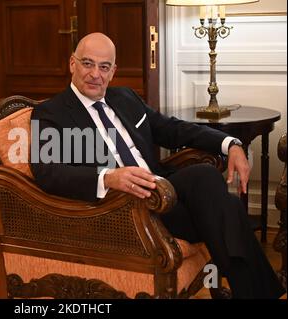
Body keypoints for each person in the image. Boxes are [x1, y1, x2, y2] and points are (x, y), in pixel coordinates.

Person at [30, 32, 285, 299]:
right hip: (119, 207)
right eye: (87, 63)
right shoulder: (51, 113)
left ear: (113, 71)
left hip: (161, 195)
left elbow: (173, 129)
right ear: (72, 63)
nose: (95, 74)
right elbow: (48, 172)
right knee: (228, 205)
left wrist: (230, 144)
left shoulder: (125, 98)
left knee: (207, 180)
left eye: (104, 67)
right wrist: (107, 177)